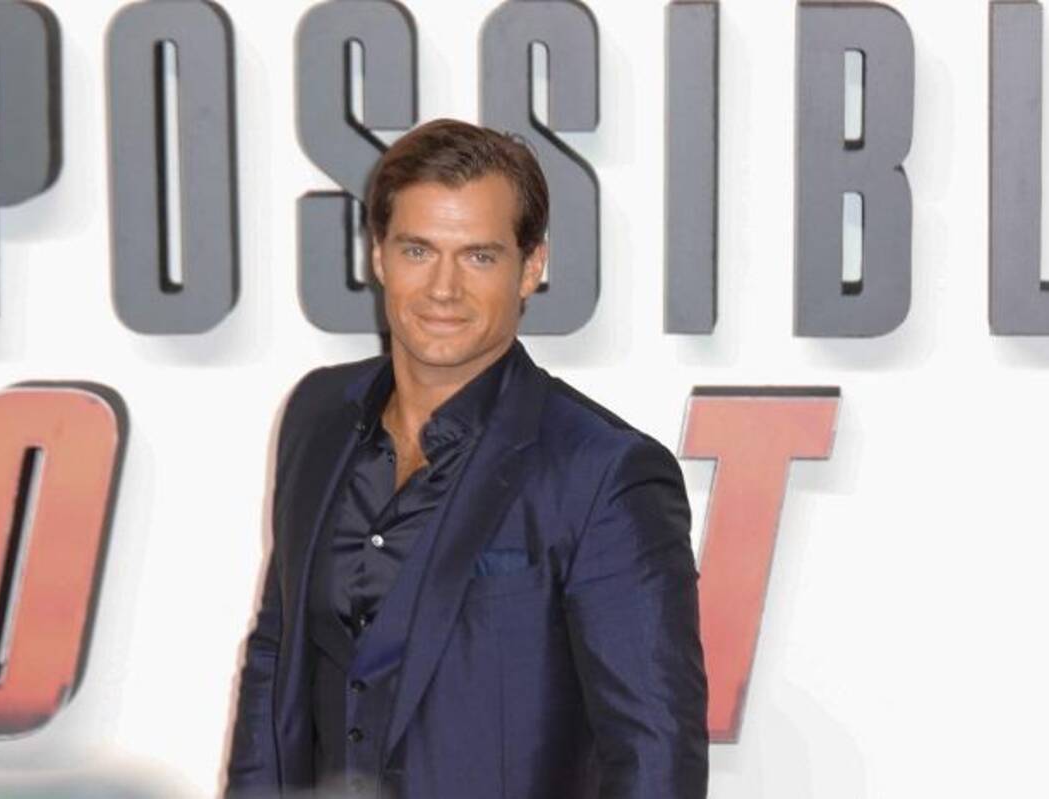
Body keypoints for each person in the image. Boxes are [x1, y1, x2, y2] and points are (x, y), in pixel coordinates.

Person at [225, 118, 708, 798]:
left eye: (478, 256)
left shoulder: (605, 473)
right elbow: (277, 657)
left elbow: (655, 756)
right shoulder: (318, 416)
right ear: (378, 256)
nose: (443, 288)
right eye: (418, 250)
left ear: (530, 267)